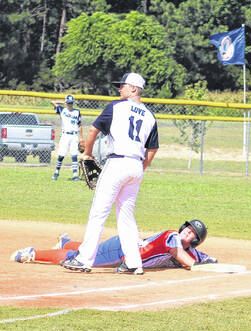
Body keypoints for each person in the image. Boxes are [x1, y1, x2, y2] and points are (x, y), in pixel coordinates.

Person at [61, 72, 159, 275]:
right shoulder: (150, 116)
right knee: (126, 216)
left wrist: (87, 154)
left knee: (99, 212)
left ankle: (83, 259)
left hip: (117, 163)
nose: (119, 89)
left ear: (134, 88)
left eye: (123, 85)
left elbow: (92, 131)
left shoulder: (116, 107)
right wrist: (141, 169)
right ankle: (134, 263)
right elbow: (153, 149)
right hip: (136, 167)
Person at [11, 219, 217, 270]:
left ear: (195, 241)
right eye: (187, 228)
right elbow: (184, 258)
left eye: (192, 233)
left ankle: (65, 241)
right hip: (122, 250)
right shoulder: (172, 236)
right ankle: (32, 253)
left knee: (92, 249)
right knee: (83, 260)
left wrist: (210, 262)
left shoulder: (189, 251)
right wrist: (197, 267)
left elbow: (202, 258)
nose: (186, 232)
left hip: (125, 250)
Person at [51, 94, 83, 181]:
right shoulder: (62, 110)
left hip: (74, 135)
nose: (70, 104)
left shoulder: (77, 112)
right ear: (66, 103)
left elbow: (79, 125)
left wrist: (81, 138)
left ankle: (75, 175)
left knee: (74, 155)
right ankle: (56, 172)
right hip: (65, 135)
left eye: (71, 103)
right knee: (61, 155)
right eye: (68, 103)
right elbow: (53, 102)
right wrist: (63, 102)